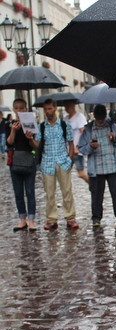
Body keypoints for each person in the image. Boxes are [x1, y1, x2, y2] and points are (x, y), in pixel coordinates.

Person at [78, 104, 116, 228]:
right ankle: (96, 218)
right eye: (98, 119)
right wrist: (90, 146)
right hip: (96, 169)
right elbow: (82, 149)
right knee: (96, 195)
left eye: (102, 119)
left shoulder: (113, 127)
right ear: (94, 117)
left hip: (113, 166)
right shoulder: (88, 130)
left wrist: (115, 139)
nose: (100, 122)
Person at [37, 98, 78, 230]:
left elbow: (71, 143)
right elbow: (37, 145)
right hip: (47, 162)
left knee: (66, 191)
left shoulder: (64, 125)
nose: (47, 111)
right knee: (49, 193)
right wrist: (30, 139)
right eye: (45, 109)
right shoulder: (42, 126)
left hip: (62, 161)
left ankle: (70, 217)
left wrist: (69, 159)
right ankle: (51, 218)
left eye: (49, 108)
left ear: (55, 108)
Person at [6, 98, 38, 232]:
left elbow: (35, 146)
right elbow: (9, 143)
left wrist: (29, 138)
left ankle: (31, 220)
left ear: (26, 109)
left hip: (28, 161)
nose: (19, 111)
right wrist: (13, 131)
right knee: (18, 192)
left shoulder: (31, 124)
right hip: (15, 162)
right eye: (16, 108)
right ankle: (22, 219)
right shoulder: (10, 125)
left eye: (21, 108)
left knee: (30, 192)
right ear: (14, 110)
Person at [63, 100, 88, 184]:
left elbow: (84, 133)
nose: (67, 108)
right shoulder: (65, 119)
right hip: (67, 151)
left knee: (81, 173)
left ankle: (93, 185)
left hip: (77, 151)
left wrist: (78, 147)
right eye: (65, 106)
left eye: (69, 106)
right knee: (64, 173)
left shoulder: (79, 117)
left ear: (74, 105)